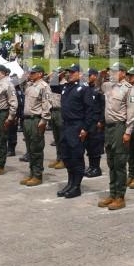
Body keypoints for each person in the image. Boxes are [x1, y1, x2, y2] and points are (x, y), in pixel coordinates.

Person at [97, 63, 134, 210]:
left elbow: (132, 113)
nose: (111, 73)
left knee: (119, 163)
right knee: (111, 162)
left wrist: (128, 132)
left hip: (120, 126)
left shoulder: (128, 89)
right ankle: (112, 193)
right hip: (109, 127)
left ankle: (120, 196)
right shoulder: (108, 86)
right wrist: (101, 74)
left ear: (123, 73)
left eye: (115, 71)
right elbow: (98, 86)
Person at [56, 64, 96, 198]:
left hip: (76, 126)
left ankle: (76, 187)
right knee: (66, 156)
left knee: (76, 157)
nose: (70, 74)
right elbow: (52, 85)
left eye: (73, 72)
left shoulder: (84, 89)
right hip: (66, 126)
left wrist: (85, 128)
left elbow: (90, 111)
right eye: (69, 72)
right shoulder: (66, 87)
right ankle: (70, 182)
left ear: (80, 74)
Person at [19, 65, 52, 187]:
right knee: (30, 148)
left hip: (36, 120)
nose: (30, 75)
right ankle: (32, 173)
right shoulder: (30, 85)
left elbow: (47, 104)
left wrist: (44, 121)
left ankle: (37, 175)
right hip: (27, 120)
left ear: (40, 74)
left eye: (33, 73)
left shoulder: (44, 87)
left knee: (36, 148)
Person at [84, 68, 105, 178]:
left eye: (89, 75)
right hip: (89, 121)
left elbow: (103, 106)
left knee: (95, 145)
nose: (87, 77)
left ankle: (96, 168)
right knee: (89, 145)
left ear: (95, 76)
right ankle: (92, 166)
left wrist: (101, 121)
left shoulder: (99, 90)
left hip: (96, 122)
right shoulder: (87, 88)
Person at [47, 68, 66, 170]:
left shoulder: (64, 84)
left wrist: (55, 77)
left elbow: (56, 88)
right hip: (53, 111)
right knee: (56, 137)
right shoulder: (53, 84)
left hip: (60, 111)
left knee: (62, 137)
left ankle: (64, 159)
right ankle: (59, 158)